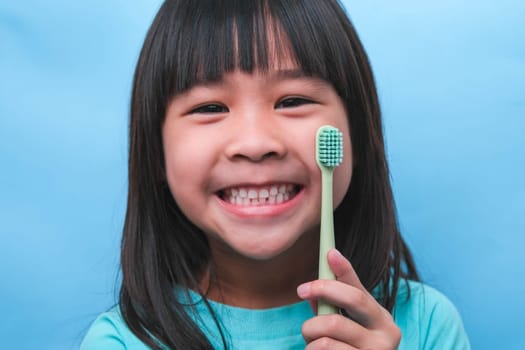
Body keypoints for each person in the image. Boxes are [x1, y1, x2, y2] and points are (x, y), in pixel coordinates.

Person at [81, 0, 470, 349]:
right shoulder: (122, 343)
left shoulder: (428, 326)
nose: (254, 143)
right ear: (156, 153)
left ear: (355, 137)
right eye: (210, 107)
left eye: (293, 101)